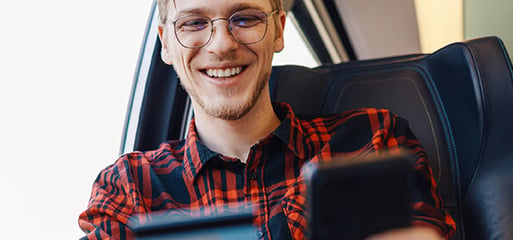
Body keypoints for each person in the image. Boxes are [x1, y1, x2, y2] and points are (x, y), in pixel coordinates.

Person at [78, 0, 456, 239]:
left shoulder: (371, 140)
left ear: (278, 30)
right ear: (165, 43)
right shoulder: (129, 187)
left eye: (244, 18)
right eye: (193, 23)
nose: (222, 44)